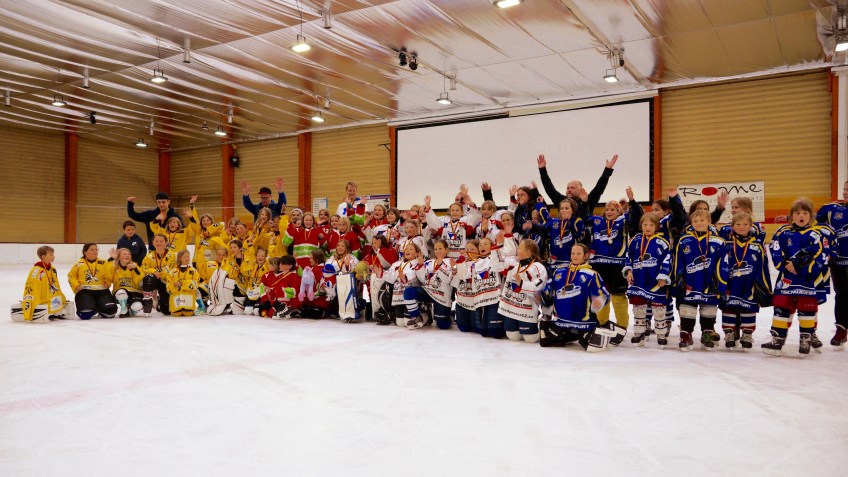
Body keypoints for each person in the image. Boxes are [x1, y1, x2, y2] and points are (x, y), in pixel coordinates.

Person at [762, 198, 827, 357]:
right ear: (791, 216)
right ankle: (777, 339)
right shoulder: (783, 232)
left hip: (806, 280)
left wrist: (801, 268)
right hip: (787, 279)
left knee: (807, 309)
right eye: (797, 213)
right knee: (781, 308)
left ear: (811, 216)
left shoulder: (816, 235)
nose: (801, 216)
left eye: (805, 213)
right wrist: (785, 265)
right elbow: (775, 249)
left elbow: (821, 256)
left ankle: (805, 338)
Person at [539, 244, 622, 351]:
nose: (575, 256)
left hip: (584, 324)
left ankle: (604, 330)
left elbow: (604, 294)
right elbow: (548, 289)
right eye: (573, 253)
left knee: (593, 347)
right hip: (561, 322)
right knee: (544, 338)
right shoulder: (559, 271)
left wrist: (600, 300)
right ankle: (571, 335)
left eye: (578, 254)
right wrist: (545, 293)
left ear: (585, 256)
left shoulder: (592, 274)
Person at [588, 188, 643, 342]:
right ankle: (602, 322)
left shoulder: (623, 221)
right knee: (600, 294)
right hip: (599, 265)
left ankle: (622, 325)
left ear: (619, 211)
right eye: (607, 209)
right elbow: (583, 215)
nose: (609, 212)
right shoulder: (597, 221)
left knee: (618, 296)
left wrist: (632, 201)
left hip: (618, 265)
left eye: (613, 209)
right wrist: (586, 201)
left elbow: (638, 217)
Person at [672, 209, 727, 351]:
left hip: (710, 282)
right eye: (695, 221)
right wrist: (679, 282)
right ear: (691, 223)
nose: (699, 223)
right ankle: (686, 334)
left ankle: (707, 333)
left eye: (702, 220)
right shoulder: (684, 240)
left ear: (709, 221)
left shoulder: (719, 241)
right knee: (687, 308)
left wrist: (720, 284)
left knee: (708, 308)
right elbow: (678, 262)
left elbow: (723, 264)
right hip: (690, 282)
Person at [717, 212, 772, 349]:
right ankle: (729, 333)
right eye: (738, 224)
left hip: (749, 284)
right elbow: (720, 265)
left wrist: (764, 287)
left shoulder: (757, 245)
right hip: (731, 283)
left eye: (746, 224)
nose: (742, 227)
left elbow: (763, 266)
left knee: (748, 307)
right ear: (732, 226)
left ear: (751, 226)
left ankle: (747, 334)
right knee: (729, 307)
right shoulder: (726, 244)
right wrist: (721, 284)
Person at [624, 213, 672, 347]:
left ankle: (661, 333)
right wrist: (628, 271)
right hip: (638, 279)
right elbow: (628, 256)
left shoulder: (663, 241)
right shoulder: (635, 239)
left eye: (651, 225)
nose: (648, 227)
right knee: (639, 307)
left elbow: (668, 259)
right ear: (641, 226)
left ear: (657, 226)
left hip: (655, 281)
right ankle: (639, 332)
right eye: (645, 224)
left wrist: (663, 276)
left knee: (659, 309)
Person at [815, 181, 848, 350]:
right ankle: (841, 329)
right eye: (845, 189)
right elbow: (810, 221)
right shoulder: (832, 209)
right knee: (842, 295)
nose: (845, 192)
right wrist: (789, 219)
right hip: (838, 261)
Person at [536, 153, 619, 219]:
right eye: (568, 188)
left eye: (573, 188)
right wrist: (542, 170)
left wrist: (607, 171)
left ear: (581, 190)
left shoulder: (588, 200)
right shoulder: (561, 201)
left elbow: (599, 188)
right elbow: (549, 187)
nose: (569, 190)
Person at [498, 239, 547, 343]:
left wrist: (521, 284)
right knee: (512, 336)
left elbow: (538, 287)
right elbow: (498, 264)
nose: (517, 250)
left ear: (528, 252)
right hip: (511, 308)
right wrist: (495, 249)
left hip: (527, 310)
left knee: (531, 339)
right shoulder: (514, 263)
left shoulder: (538, 267)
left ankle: (541, 326)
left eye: (520, 248)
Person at [11, 246, 71, 323]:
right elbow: (32, 287)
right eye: (51, 255)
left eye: (53, 255)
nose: (54, 257)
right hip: (42, 299)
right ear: (43, 257)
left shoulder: (53, 269)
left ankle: (54, 310)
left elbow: (56, 285)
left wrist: (62, 298)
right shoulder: (36, 270)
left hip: (51, 298)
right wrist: (31, 302)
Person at [410, 239, 455, 330]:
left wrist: (440, 265)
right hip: (428, 292)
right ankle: (417, 317)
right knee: (409, 291)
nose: (437, 251)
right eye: (435, 249)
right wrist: (420, 265)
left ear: (446, 250)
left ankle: (451, 314)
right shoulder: (429, 262)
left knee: (443, 325)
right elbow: (423, 279)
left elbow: (448, 280)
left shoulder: (451, 262)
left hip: (442, 296)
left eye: (440, 249)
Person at [68, 243, 118, 319]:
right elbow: (71, 276)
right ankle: (95, 307)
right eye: (92, 250)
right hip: (85, 291)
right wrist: (76, 285)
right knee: (85, 315)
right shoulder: (79, 264)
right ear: (85, 252)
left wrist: (107, 283)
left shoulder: (104, 263)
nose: (95, 251)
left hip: (102, 291)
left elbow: (111, 273)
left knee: (110, 313)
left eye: (96, 249)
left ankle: (99, 306)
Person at [140, 234, 177, 316]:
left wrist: (160, 274)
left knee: (166, 311)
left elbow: (170, 269)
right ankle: (148, 301)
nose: (159, 243)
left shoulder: (171, 255)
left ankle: (160, 302)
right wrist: (154, 272)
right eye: (156, 241)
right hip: (154, 280)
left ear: (166, 243)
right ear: (152, 242)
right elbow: (143, 268)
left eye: (161, 241)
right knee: (148, 278)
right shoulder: (149, 256)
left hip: (166, 281)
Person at [166, 250, 201, 317]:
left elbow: (196, 283)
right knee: (176, 314)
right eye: (184, 257)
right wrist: (173, 285)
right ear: (179, 258)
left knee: (188, 313)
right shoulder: (173, 272)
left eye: (188, 256)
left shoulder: (193, 271)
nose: (187, 258)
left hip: (188, 299)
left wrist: (183, 283)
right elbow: (168, 286)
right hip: (176, 299)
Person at [110, 247, 144, 318]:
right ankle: (124, 309)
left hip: (134, 291)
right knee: (121, 293)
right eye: (125, 254)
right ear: (119, 256)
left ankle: (131, 311)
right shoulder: (114, 266)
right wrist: (113, 259)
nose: (127, 255)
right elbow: (107, 272)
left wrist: (135, 269)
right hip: (120, 291)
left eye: (129, 254)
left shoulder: (134, 265)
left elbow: (140, 280)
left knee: (137, 306)